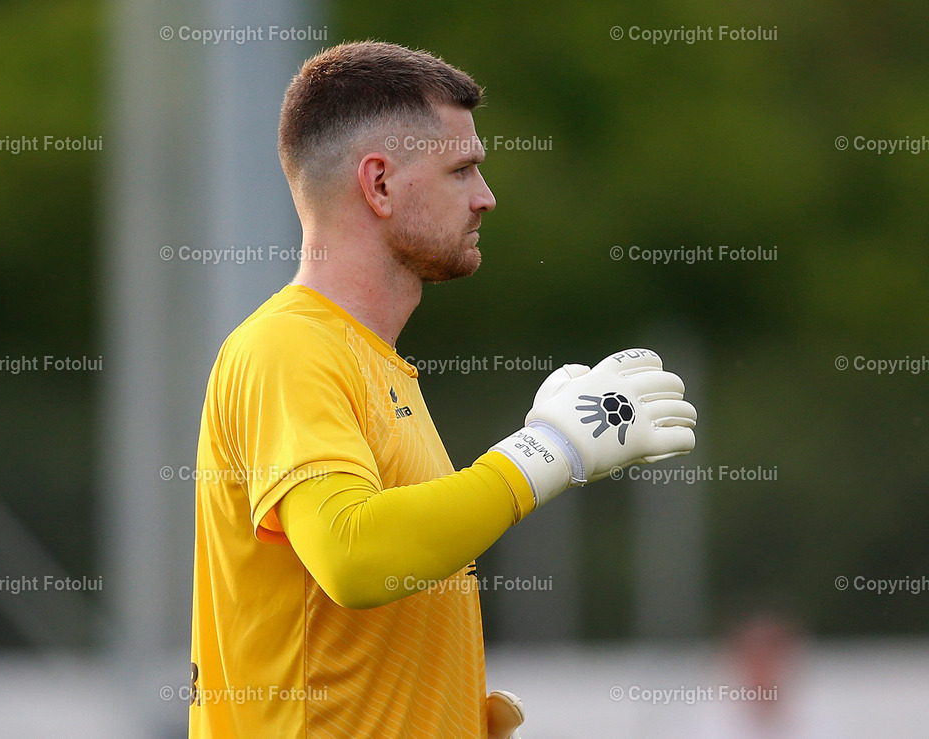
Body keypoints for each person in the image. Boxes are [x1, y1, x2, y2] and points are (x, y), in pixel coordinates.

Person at [189, 40, 697, 738]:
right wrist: (547, 452)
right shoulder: (288, 345)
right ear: (379, 184)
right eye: (462, 170)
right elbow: (352, 554)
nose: (486, 197)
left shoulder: (374, 364)